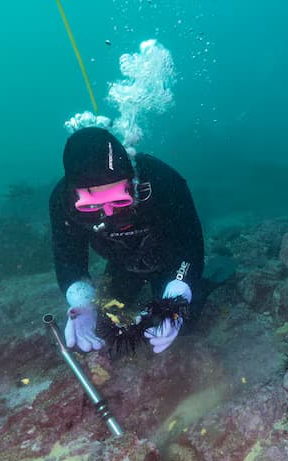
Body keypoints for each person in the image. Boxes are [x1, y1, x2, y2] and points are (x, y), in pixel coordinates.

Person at [49, 127, 204, 354]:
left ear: (133, 183)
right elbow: (68, 258)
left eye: (119, 201)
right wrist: (81, 301)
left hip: (169, 259)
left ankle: (200, 286)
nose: (108, 213)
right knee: (104, 326)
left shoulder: (164, 180)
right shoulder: (62, 202)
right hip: (122, 264)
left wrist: (180, 287)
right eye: (92, 206)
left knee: (184, 322)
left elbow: (190, 243)